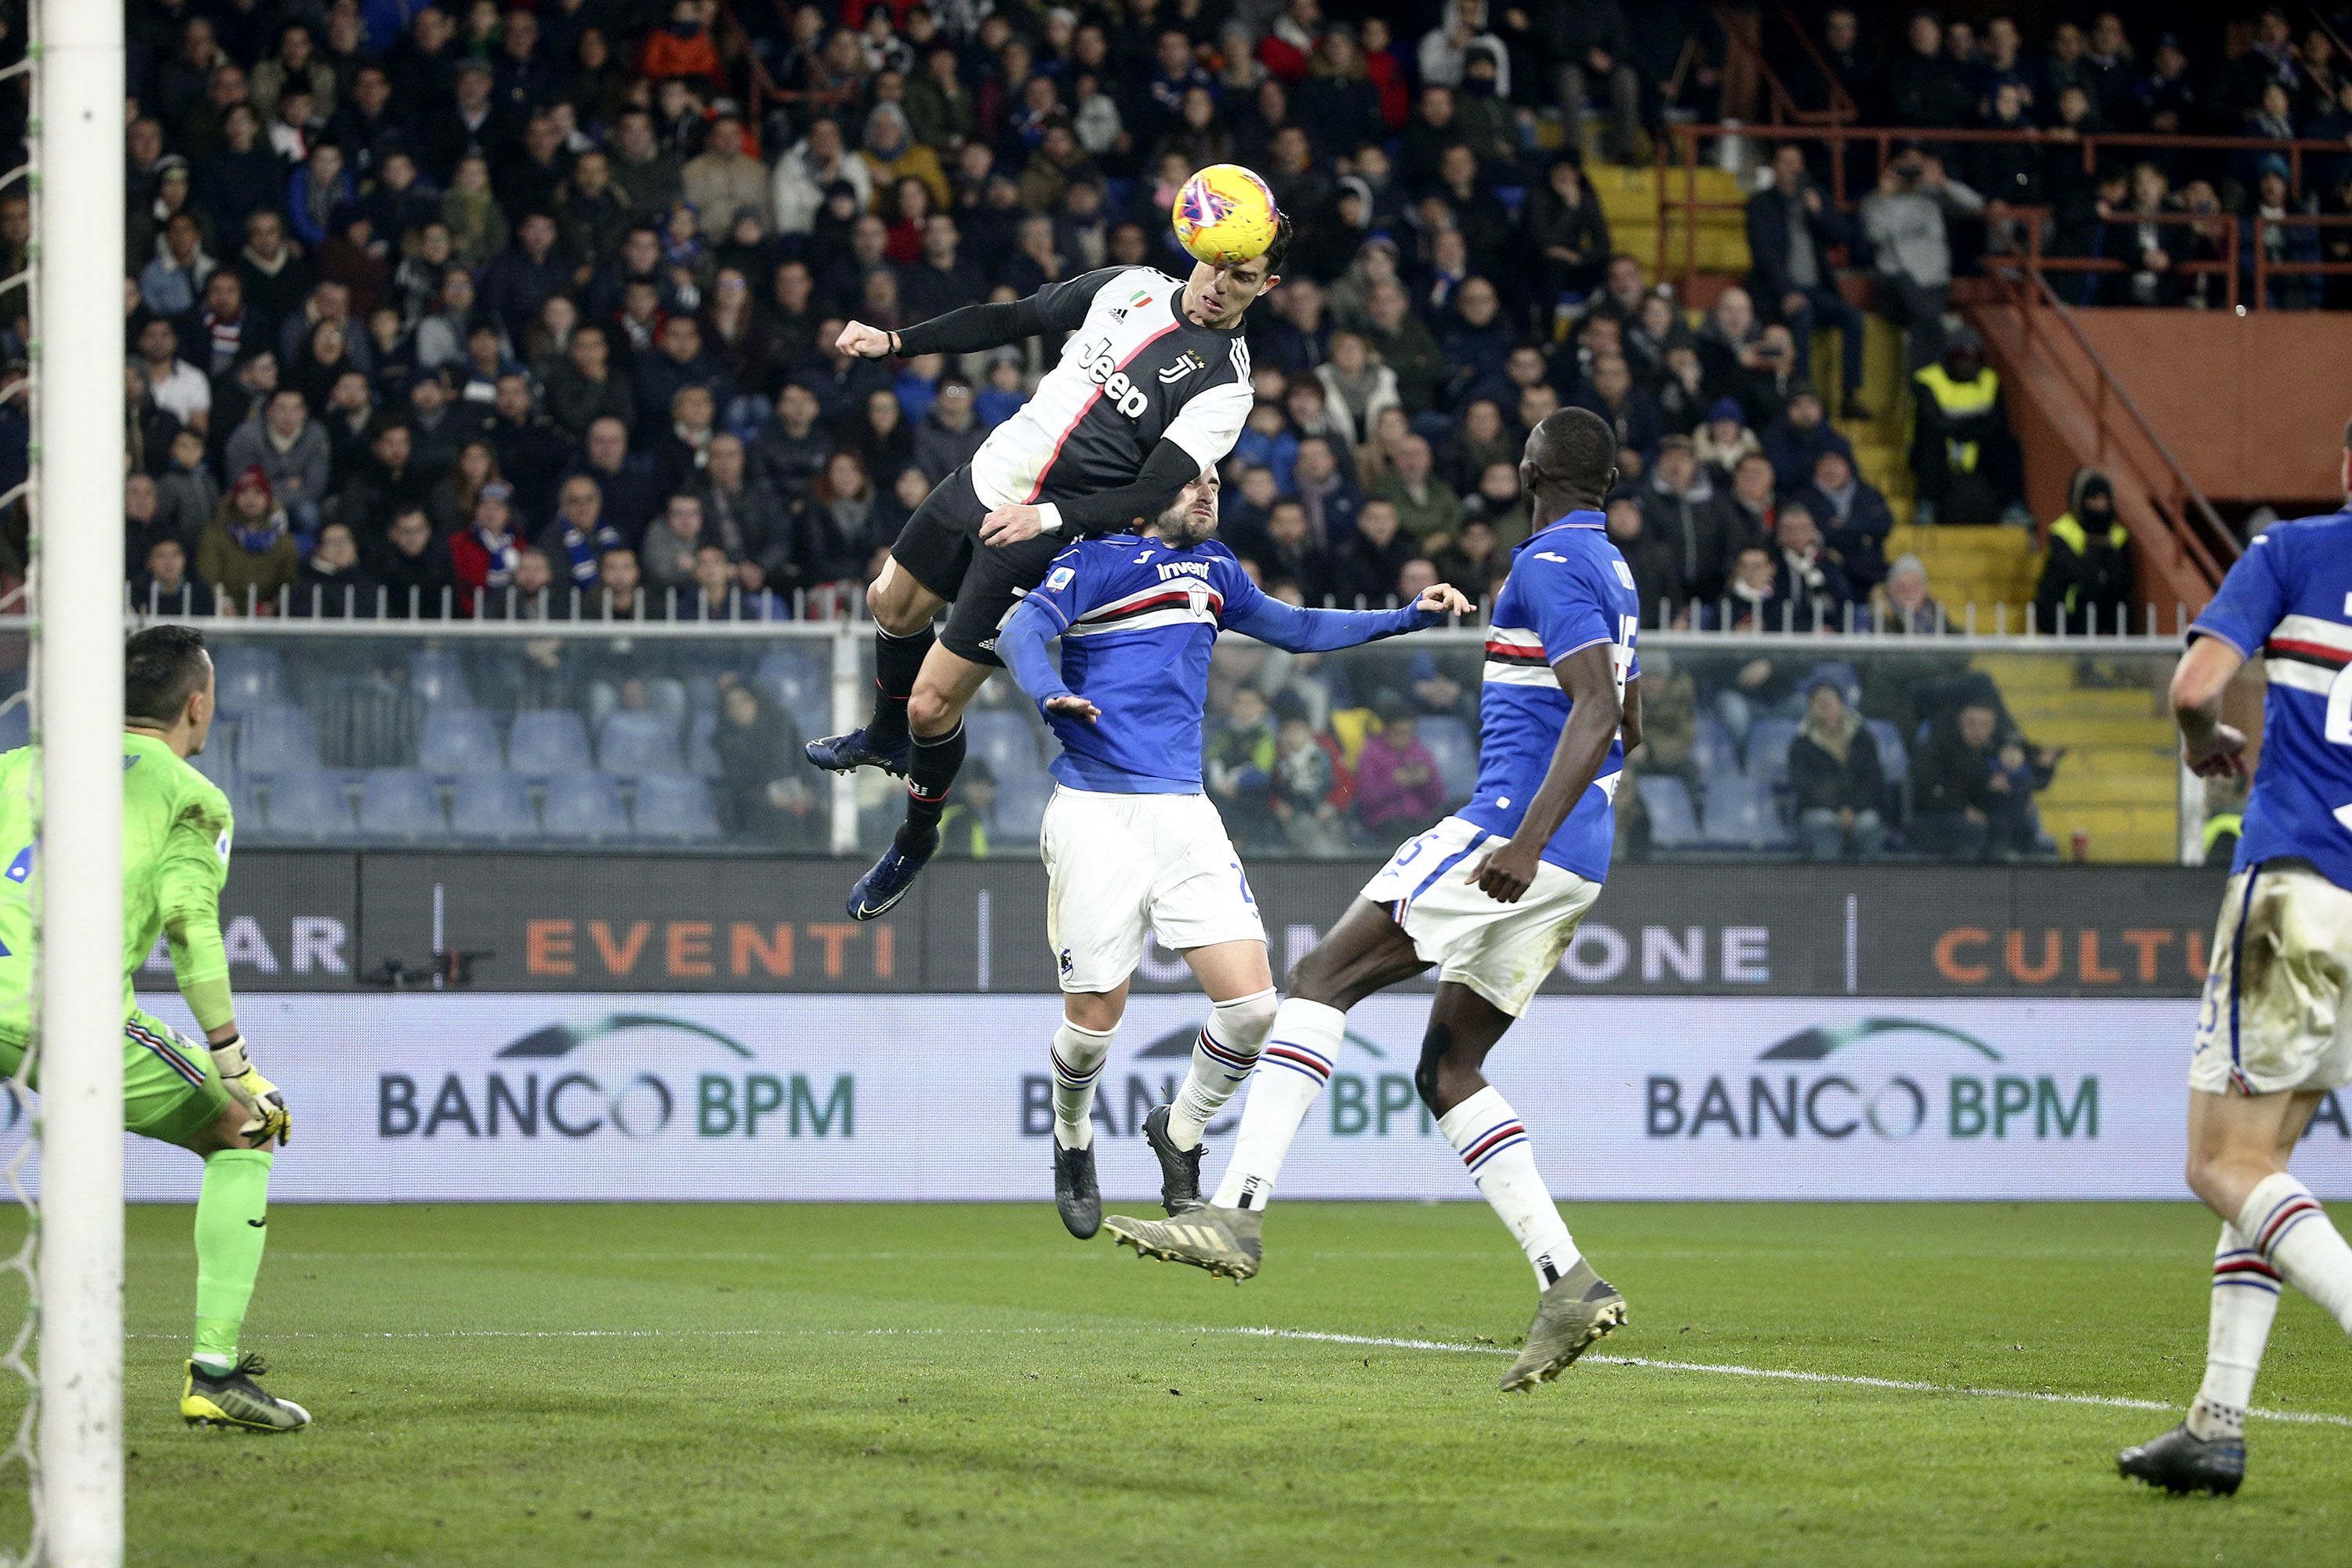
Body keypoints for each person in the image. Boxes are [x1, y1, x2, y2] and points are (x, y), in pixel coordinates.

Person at [1104, 409, 1640, 1394]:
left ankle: (1237, 1207)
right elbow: (1627, 713)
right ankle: (1567, 1281)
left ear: (1528, 468)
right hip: (1583, 852)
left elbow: (1601, 710)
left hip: (1512, 835)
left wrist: (1521, 839)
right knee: (1449, 1067)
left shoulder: (1546, 565)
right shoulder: (1611, 568)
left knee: (1316, 980)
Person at [993, 466, 1465, 1235]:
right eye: (1191, 482)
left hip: (1184, 811)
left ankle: (1179, 1133)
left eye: (1215, 481)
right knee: (1091, 1024)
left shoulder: (1216, 569)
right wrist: (1047, 689)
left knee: (1252, 1010)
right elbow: (1020, 630)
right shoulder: (1098, 560)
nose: (1208, 493)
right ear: (1149, 496)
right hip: (1095, 811)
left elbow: (1301, 627)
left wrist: (1406, 616)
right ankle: (1072, 1135)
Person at [808, 212, 1291, 923]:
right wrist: (895, 342)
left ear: (1265, 285)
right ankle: (883, 739)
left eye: (1243, 278)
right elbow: (1013, 318)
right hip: (989, 476)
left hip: (1040, 536)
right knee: (890, 604)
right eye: (1216, 265)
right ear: (1198, 253)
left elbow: (1152, 492)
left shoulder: (1227, 386)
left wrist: (1051, 519)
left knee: (932, 704)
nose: (1221, 285)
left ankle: (915, 838)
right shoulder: (1128, 285)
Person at [0, 628, 305, 1429]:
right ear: (197, 705)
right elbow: (191, 924)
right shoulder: (190, 794)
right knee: (245, 1131)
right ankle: (213, 1372)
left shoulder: (16, 766)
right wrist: (236, 1060)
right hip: (57, 1012)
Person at [2118, 460, 2352, 1497]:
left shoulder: (2295, 551)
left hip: (2297, 887)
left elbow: (2195, 687)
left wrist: (2204, 741)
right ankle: (2216, 1423)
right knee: (2264, 1164)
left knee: (2218, 1164)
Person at [1747, 144, 1867, 418]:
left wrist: (1819, 212)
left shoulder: (1814, 198)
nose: (1793, 169)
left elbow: (1841, 235)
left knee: (1853, 318)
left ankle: (1850, 395)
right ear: (1774, 167)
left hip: (1816, 290)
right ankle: (1802, 392)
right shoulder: (1760, 205)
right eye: (1786, 162)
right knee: (1803, 315)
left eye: (1797, 163)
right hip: (1778, 293)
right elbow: (1765, 256)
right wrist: (1786, 292)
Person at [1788, 680, 1886, 861]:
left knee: (1870, 823)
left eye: (1829, 700)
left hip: (1859, 810)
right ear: (1810, 707)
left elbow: (1873, 781)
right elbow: (1805, 787)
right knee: (1826, 823)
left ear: (1841, 704)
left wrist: (1853, 809)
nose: (1824, 705)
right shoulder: (1801, 744)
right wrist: (1837, 809)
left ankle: (1871, 884)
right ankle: (1828, 884)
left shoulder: (1862, 739)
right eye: (1818, 701)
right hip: (1818, 810)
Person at [2035, 466, 2133, 633]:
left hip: (2104, 610)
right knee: (2087, 594)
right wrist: (2096, 547)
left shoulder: (2119, 535)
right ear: (2080, 501)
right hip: (2063, 610)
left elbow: (2121, 579)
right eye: (2093, 499)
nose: (2100, 505)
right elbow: (2075, 573)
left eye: (2104, 499)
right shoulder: (2062, 532)